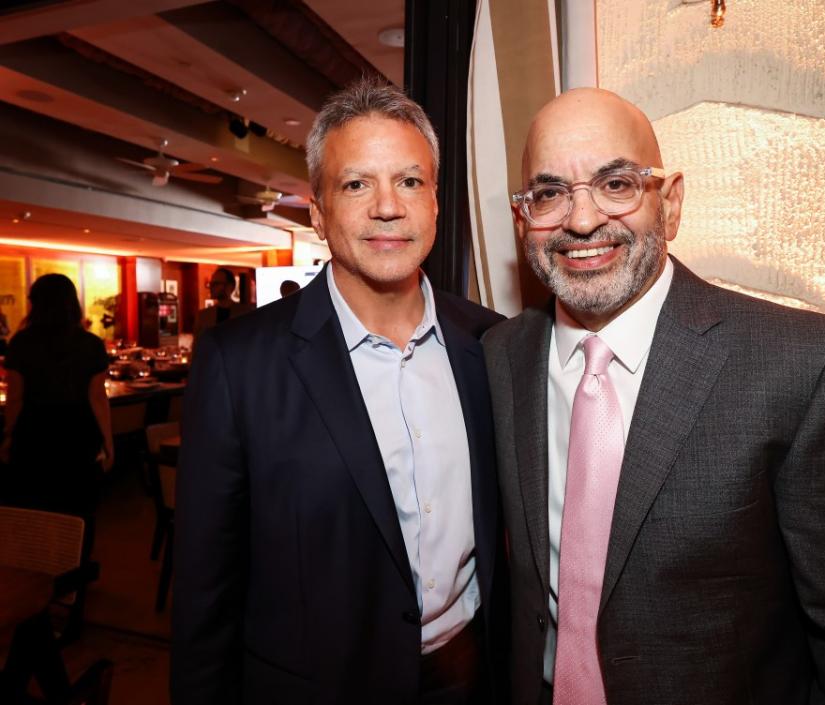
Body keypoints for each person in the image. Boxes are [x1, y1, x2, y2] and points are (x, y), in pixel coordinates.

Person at [482, 87, 825, 705]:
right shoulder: (501, 356)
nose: (582, 219)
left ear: (669, 203)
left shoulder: (805, 368)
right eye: (548, 194)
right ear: (523, 220)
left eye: (616, 183)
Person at [172, 79, 504, 705]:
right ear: (318, 214)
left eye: (409, 181)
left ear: (436, 203)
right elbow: (204, 591)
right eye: (357, 184)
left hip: (471, 677)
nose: (387, 206)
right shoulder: (238, 363)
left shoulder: (493, 347)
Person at [0, 273, 113, 516]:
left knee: (37, 506)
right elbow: (97, 398)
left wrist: (9, 435)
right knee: (78, 506)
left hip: (34, 431)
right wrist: (108, 441)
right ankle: (77, 553)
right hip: (79, 432)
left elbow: (16, 397)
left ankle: (44, 554)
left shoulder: (21, 342)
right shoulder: (91, 343)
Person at [191, 267, 253, 343]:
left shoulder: (244, 313)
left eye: (216, 284)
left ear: (229, 286)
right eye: (211, 283)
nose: (211, 287)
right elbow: (197, 347)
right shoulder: (203, 316)